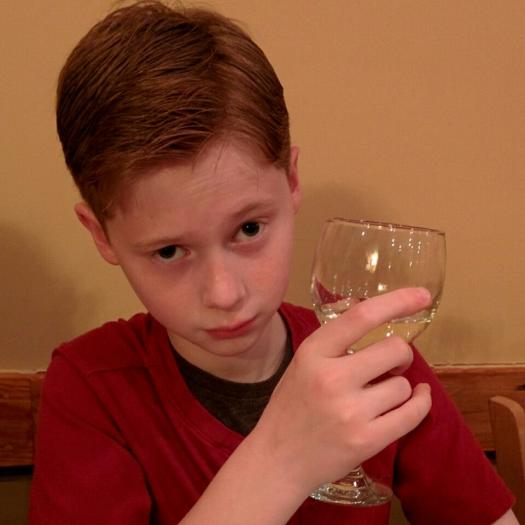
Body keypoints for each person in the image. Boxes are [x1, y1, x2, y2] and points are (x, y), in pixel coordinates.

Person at [29, 2, 517, 524]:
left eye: (248, 229)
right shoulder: (92, 388)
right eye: (169, 251)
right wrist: (282, 460)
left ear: (292, 182)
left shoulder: (370, 357)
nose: (224, 293)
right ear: (101, 235)